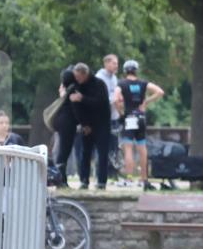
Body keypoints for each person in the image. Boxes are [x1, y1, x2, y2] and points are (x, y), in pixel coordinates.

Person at [114, 60, 164, 191]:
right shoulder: (143, 83)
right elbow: (160, 92)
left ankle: (129, 178)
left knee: (129, 149)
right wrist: (146, 102)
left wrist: (120, 111)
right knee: (142, 149)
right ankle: (144, 179)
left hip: (129, 117)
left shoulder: (122, 83)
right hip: (141, 117)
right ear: (136, 70)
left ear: (125, 71)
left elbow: (115, 98)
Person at [67, 62, 111, 190]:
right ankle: (84, 180)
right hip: (87, 125)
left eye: (79, 76)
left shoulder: (99, 84)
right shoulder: (76, 86)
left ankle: (102, 181)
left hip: (102, 124)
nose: (77, 79)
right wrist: (84, 124)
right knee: (85, 153)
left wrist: (82, 99)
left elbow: (101, 103)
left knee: (102, 153)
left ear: (85, 74)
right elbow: (76, 108)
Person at [95, 54, 121, 178]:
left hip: (113, 117)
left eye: (117, 63)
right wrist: (115, 99)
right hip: (102, 118)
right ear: (106, 63)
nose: (117, 65)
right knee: (102, 146)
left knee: (114, 146)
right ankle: (100, 172)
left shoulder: (114, 78)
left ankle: (112, 173)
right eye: (114, 63)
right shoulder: (99, 78)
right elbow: (100, 99)